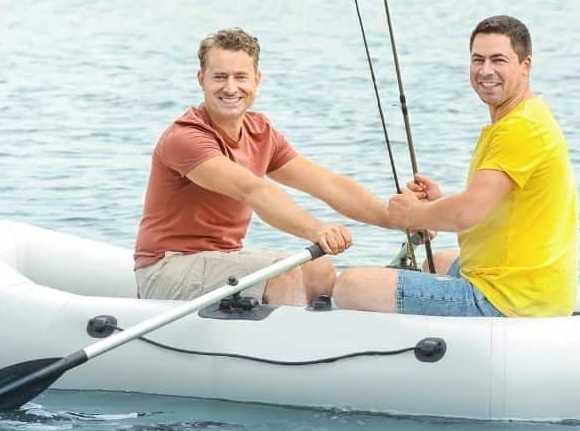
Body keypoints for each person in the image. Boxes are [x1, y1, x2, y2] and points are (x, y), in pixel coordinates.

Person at [333, 15, 578, 318]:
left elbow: (468, 212)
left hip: (509, 298)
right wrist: (439, 202)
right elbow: (492, 205)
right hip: (535, 285)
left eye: (498, 60)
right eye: (478, 60)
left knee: (350, 285)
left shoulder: (520, 129)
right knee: (433, 262)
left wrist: (414, 214)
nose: (485, 71)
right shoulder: (525, 117)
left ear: (525, 66)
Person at [134, 28, 391, 307]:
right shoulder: (186, 137)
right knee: (284, 275)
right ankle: (288, 348)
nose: (230, 88)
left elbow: (328, 184)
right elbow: (252, 190)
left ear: (257, 80)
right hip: (166, 268)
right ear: (201, 80)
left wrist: (398, 219)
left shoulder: (260, 131)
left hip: (224, 259)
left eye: (240, 77)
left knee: (320, 269)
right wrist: (317, 230)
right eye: (220, 77)